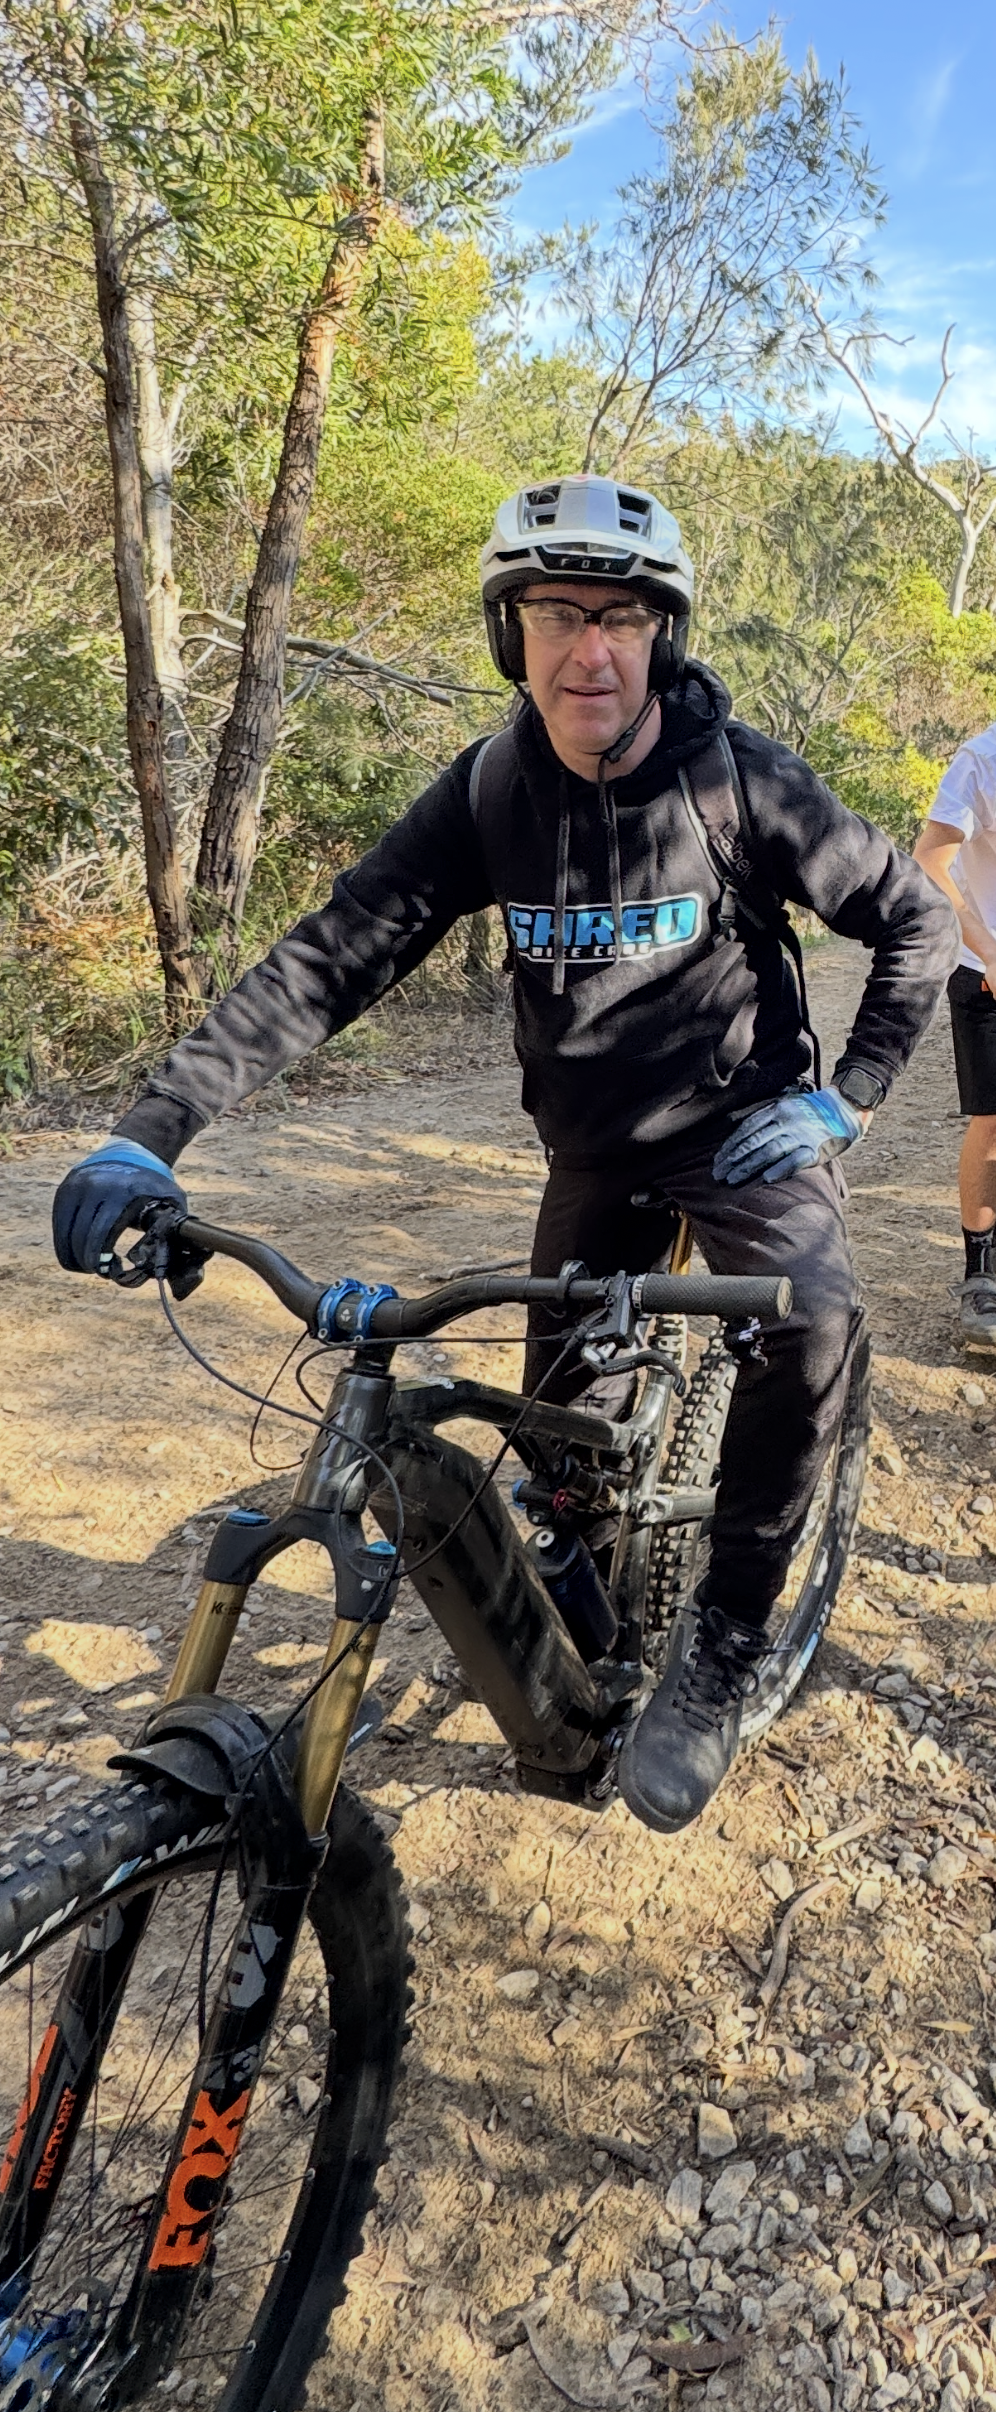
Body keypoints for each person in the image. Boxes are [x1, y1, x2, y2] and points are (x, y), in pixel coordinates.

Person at [53, 475, 957, 1834]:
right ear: (507, 628)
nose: (587, 649)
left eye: (620, 617)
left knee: (812, 1320)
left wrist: (847, 1103)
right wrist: (147, 1130)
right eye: (553, 611)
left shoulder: (736, 777)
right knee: (559, 1452)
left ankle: (717, 1645)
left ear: (662, 634)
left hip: (742, 1135)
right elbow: (333, 955)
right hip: (593, 1153)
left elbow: (911, 920)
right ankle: (586, 1628)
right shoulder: (489, 790)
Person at [914, 738, 996, 1351]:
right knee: (993, 1123)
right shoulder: (982, 760)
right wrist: (990, 949)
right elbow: (930, 861)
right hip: (986, 966)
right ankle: (982, 1274)